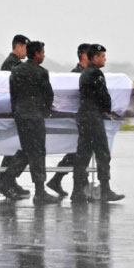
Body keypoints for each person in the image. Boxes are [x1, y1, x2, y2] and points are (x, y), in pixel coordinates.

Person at [6, 40, 60, 205]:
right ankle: (39, 192)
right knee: (37, 152)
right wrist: (45, 111)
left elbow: (13, 94)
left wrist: (17, 112)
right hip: (34, 116)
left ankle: (5, 179)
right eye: (42, 52)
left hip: (21, 115)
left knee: (28, 150)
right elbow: (48, 96)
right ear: (36, 54)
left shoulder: (15, 71)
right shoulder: (41, 72)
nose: (43, 55)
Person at [71, 43, 125, 204]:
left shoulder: (84, 73)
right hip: (93, 117)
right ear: (94, 58)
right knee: (102, 153)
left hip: (83, 116)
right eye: (102, 56)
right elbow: (104, 97)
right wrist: (107, 109)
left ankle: (77, 191)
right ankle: (105, 190)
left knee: (83, 155)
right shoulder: (96, 74)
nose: (105, 59)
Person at [46, 42, 90, 197]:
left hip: (79, 117)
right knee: (80, 151)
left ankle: (59, 180)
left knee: (78, 151)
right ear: (83, 55)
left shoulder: (86, 72)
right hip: (76, 118)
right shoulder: (75, 75)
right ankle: (80, 186)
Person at [0, 34, 31, 199]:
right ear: (18, 46)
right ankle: (5, 180)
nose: (27, 50)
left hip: (16, 109)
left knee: (14, 147)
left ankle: (7, 179)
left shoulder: (14, 63)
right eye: (25, 47)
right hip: (16, 109)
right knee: (15, 146)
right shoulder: (12, 65)